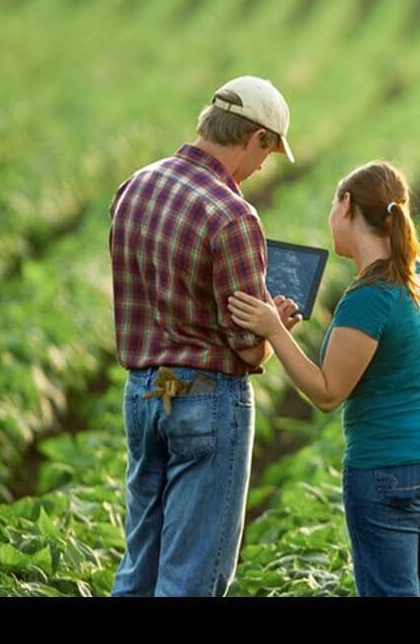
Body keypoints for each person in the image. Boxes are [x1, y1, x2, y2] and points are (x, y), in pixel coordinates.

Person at [227, 160, 420, 597]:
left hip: (394, 465)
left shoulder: (368, 298)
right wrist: (281, 330)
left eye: (332, 205)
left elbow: (327, 393)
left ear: (346, 206)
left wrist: (272, 331)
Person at [109, 75, 302, 596]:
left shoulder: (136, 187)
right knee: (193, 576)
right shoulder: (233, 215)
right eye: (267, 152)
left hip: (143, 393)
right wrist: (274, 328)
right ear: (255, 138)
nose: (262, 167)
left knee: (140, 565)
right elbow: (246, 344)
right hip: (206, 401)